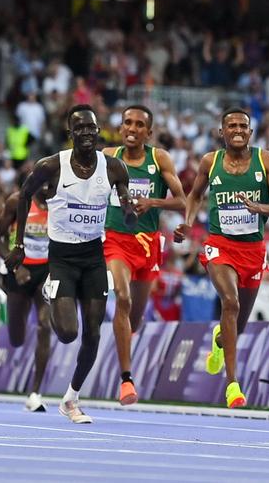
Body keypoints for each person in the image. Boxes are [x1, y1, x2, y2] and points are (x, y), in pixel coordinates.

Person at [8, 104, 137, 424]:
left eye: (91, 128)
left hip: (94, 256)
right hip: (62, 258)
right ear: (70, 134)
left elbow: (125, 198)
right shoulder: (52, 166)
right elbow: (23, 196)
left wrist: (131, 211)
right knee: (67, 332)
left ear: (98, 131)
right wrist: (19, 244)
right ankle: (52, 294)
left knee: (92, 333)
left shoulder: (114, 167)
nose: (86, 134)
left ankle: (71, 398)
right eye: (79, 128)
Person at [174, 108, 269, 409]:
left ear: (250, 133)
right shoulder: (210, 162)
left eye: (243, 126)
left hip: (253, 251)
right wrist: (188, 221)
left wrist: (258, 208)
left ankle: (219, 339)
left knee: (235, 327)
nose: (237, 130)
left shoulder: (266, 161)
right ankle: (233, 385)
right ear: (221, 132)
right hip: (220, 246)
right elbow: (196, 195)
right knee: (230, 302)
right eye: (231, 125)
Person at [103, 105, 188, 405]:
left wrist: (152, 202)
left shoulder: (158, 158)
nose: (133, 128)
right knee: (122, 299)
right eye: (128, 122)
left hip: (148, 244)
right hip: (114, 240)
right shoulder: (108, 157)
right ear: (121, 126)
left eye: (140, 124)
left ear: (148, 132)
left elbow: (182, 201)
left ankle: (127, 336)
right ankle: (126, 380)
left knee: (134, 318)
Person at [0, 177, 55, 413]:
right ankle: (17, 332)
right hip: (18, 270)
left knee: (44, 324)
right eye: (47, 184)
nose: (51, 189)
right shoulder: (17, 201)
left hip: (45, 271)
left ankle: (35, 392)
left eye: (55, 184)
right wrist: (16, 267)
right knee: (17, 337)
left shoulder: (63, 203)